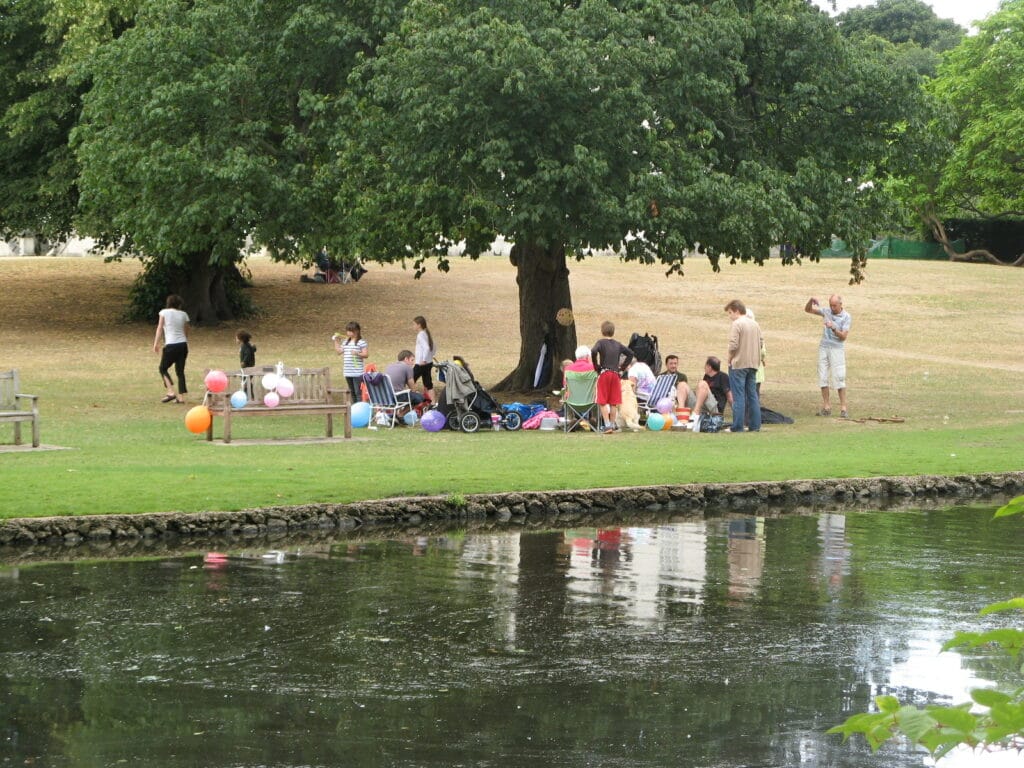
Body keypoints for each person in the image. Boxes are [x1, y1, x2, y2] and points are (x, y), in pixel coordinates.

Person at [805, 294, 851, 418]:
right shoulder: (826, 311)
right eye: (831, 305)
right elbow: (808, 310)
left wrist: (834, 328)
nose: (832, 308)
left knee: (839, 377)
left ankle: (843, 407)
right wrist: (810, 300)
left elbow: (844, 337)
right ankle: (826, 406)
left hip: (837, 348)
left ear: (841, 304)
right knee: (822, 375)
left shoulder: (846, 317)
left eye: (834, 306)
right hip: (824, 347)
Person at [725, 299, 762, 433]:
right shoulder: (755, 324)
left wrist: (729, 359)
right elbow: (761, 342)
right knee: (752, 395)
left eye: (730, 312)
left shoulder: (737, 324)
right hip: (753, 364)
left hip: (739, 363)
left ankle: (737, 426)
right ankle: (755, 425)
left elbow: (733, 344)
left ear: (736, 311)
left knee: (738, 396)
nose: (730, 316)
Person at [591, 321, 634, 434]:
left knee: (603, 401)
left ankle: (607, 425)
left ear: (602, 330)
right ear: (613, 331)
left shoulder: (600, 343)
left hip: (604, 373)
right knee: (613, 402)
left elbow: (593, 351)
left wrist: (596, 366)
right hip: (616, 374)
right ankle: (613, 424)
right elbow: (630, 353)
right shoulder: (618, 344)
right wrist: (622, 368)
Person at [153, 294, 190, 403]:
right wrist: (184, 339)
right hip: (183, 345)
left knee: (163, 368)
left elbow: (160, 328)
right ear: (179, 304)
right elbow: (187, 329)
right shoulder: (184, 314)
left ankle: (171, 392)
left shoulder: (163, 312)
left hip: (171, 345)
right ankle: (182, 397)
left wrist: (156, 343)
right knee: (180, 371)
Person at [334, 321, 368, 402]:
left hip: (357, 373)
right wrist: (336, 341)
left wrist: (357, 353)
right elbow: (339, 352)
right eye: (347, 331)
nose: (348, 333)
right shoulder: (346, 342)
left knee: (358, 392)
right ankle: (354, 410)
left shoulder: (361, 342)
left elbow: (366, 354)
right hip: (347, 372)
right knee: (352, 392)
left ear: (356, 331)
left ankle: (360, 410)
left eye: (350, 331)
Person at [692, 356, 732, 423]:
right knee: (683, 385)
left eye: (705, 365)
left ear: (709, 367)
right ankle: (682, 418)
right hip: (704, 406)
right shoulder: (706, 376)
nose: (704, 367)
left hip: (715, 408)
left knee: (702, 384)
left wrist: (737, 415)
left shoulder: (723, 376)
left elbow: (729, 396)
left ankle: (695, 415)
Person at [413, 316, 436, 404]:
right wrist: (431, 355)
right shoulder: (426, 333)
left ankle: (411, 400)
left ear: (419, 325)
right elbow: (434, 346)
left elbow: (426, 348)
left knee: (410, 380)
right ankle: (433, 403)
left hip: (421, 364)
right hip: (428, 363)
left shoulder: (420, 335)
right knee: (428, 383)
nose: (413, 326)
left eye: (414, 324)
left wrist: (424, 360)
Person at [746, 308, 766, 395]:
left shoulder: (740, 331)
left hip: (744, 368)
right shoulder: (758, 332)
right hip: (757, 368)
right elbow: (762, 352)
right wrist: (763, 359)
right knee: (755, 394)